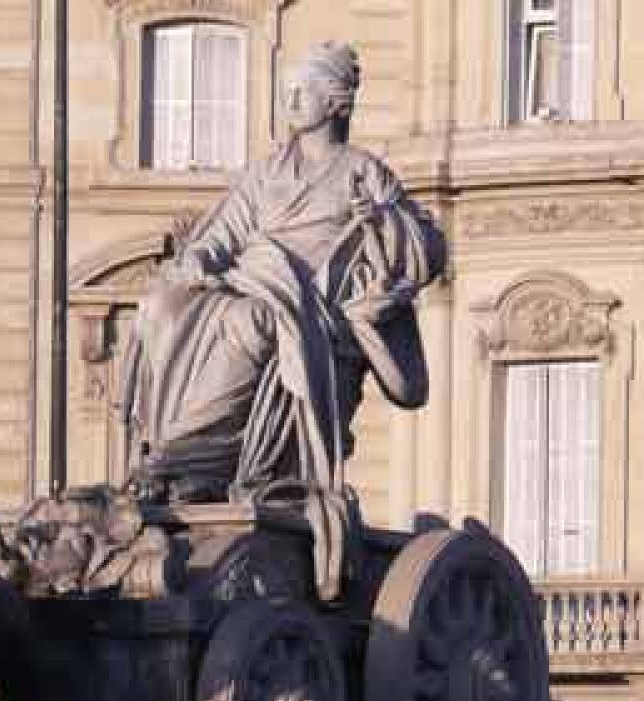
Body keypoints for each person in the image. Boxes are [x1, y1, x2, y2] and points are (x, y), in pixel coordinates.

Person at [119, 41, 447, 599]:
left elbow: (428, 249)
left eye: (304, 91)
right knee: (163, 304)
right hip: (256, 280)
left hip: (311, 309)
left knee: (251, 321)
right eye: (288, 91)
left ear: (337, 102)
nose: (290, 101)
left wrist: (382, 222)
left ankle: (197, 454)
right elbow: (223, 234)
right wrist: (196, 262)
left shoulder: (362, 173)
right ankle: (167, 449)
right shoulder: (266, 173)